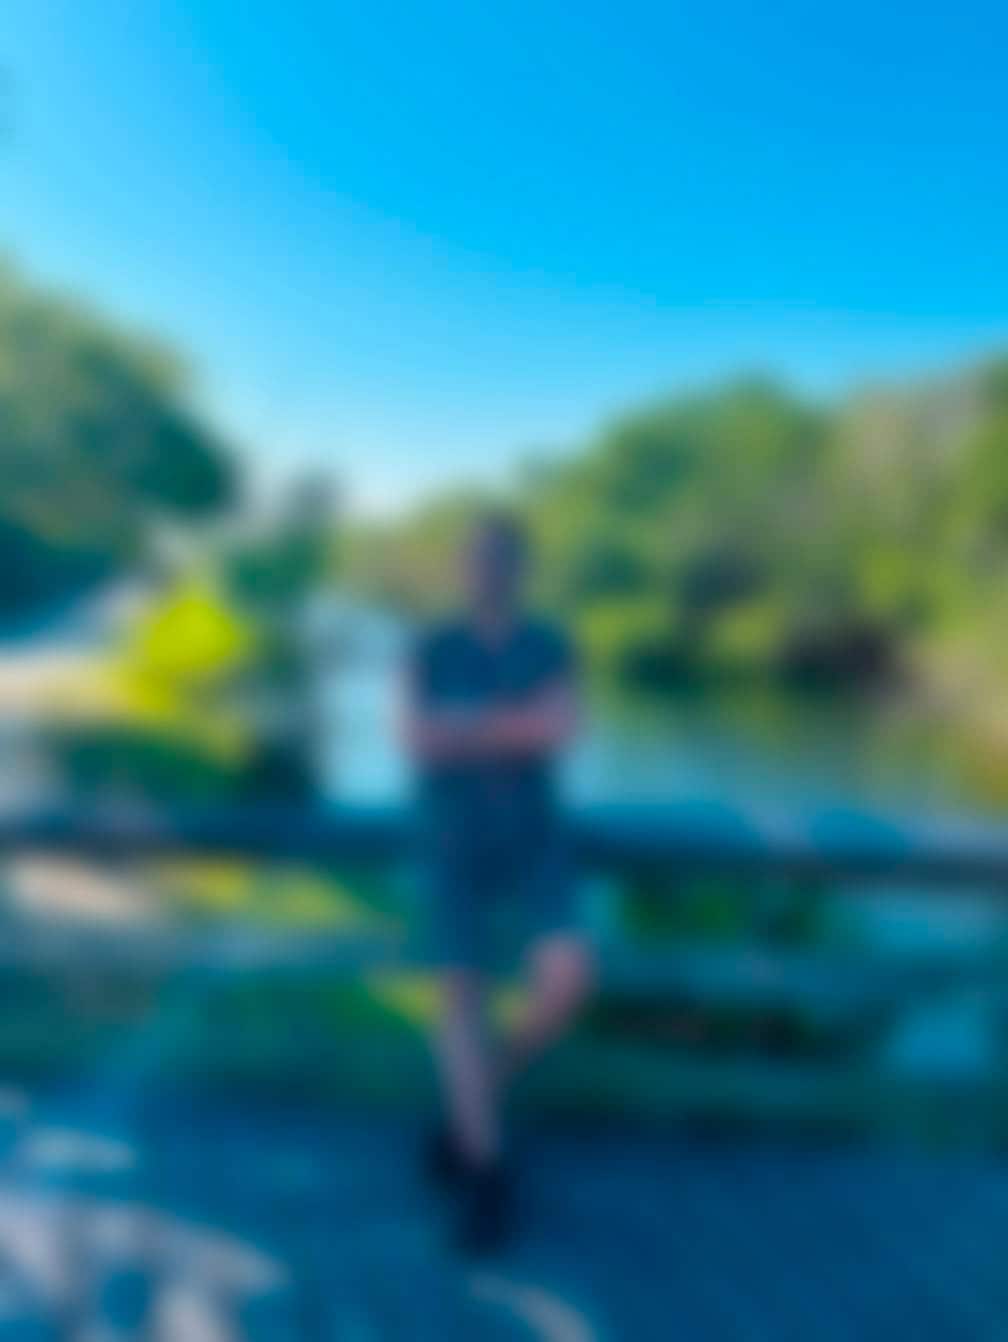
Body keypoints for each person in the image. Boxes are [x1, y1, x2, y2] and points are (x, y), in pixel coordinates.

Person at [401, 512, 594, 1253]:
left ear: (521, 567)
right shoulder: (429, 646)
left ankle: (466, 1111)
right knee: (459, 991)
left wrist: (463, 726)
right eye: (478, 557)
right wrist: (511, 723)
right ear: (462, 566)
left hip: (534, 839)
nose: (489, 569)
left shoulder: (549, 644)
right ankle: (487, 1174)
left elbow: (560, 729)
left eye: (503, 557)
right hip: (451, 841)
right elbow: (414, 737)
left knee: (566, 980)